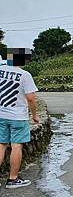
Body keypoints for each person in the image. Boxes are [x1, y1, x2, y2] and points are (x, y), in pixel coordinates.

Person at [0, 53, 39, 189]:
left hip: (1, 115)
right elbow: (30, 98)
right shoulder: (24, 75)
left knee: (1, 145)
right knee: (17, 145)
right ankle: (13, 179)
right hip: (17, 117)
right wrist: (34, 115)